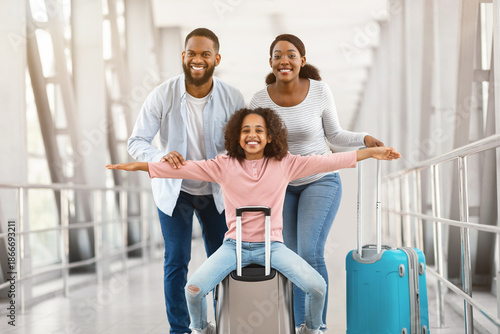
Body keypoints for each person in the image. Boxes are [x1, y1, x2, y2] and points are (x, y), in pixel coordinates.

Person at [109, 107, 401, 334]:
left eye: (259, 130)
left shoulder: (286, 163)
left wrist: (372, 152)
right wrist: (139, 165)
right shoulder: (224, 165)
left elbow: (330, 161)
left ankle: (311, 329)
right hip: (233, 246)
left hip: (272, 247)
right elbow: (184, 168)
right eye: (246, 130)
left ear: (270, 136)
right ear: (237, 136)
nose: (252, 135)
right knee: (193, 290)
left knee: (317, 287)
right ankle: (203, 329)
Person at [249, 34, 385, 331]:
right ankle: (301, 325)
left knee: (309, 252)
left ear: (302, 60)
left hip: (320, 181)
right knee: (291, 258)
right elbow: (255, 142)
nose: (284, 60)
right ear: (270, 62)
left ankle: (316, 326)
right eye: (277, 55)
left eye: (291, 54)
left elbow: (334, 136)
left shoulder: (320, 91)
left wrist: (363, 139)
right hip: (282, 185)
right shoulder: (260, 99)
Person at [126, 28, 245, 334]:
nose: (197, 59)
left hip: (217, 192)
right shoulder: (162, 94)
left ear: (216, 58)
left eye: (205, 54)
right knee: (176, 260)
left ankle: (224, 324)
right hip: (175, 191)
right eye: (192, 53)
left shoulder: (232, 97)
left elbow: (243, 145)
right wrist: (159, 156)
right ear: (183, 56)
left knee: (222, 259)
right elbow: (137, 140)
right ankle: (180, 329)